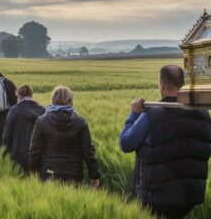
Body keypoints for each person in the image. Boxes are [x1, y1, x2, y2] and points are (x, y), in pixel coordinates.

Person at [119, 65, 211, 219]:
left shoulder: (152, 114)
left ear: (162, 83)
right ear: (183, 83)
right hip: (190, 196)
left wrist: (133, 114)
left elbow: (126, 143)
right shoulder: (203, 113)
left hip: (157, 198)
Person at [29, 86, 100, 187]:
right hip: (74, 173)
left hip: (49, 172)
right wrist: (94, 176)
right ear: (70, 101)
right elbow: (88, 151)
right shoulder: (80, 122)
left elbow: (34, 150)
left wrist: (33, 172)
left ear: (53, 100)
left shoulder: (42, 121)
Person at [2, 85, 45, 173]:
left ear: (19, 96)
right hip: (38, 154)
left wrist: (6, 155)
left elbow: (7, 135)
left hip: (18, 154)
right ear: (32, 95)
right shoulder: (43, 110)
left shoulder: (14, 110)